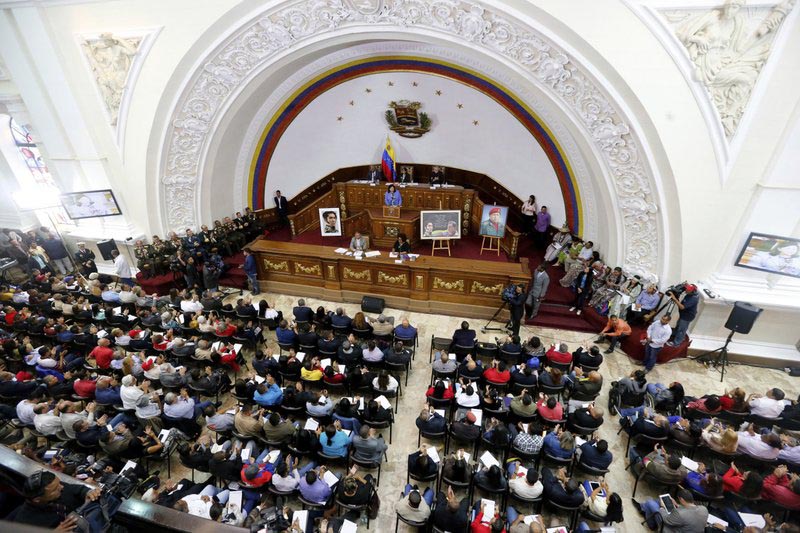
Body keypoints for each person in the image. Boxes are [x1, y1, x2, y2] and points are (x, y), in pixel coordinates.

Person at [14, 470, 104, 530]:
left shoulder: (58, 486)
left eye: (59, 483)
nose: (62, 487)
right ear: (37, 499)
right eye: (55, 489)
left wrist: (88, 492)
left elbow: (79, 489)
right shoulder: (23, 523)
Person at [634, 488, 708, 533]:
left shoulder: (680, 514)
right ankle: (643, 508)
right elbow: (689, 511)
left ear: (681, 499)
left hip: (670, 529)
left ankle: (651, 524)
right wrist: (677, 505)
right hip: (685, 527)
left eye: (679, 499)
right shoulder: (704, 509)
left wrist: (662, 507)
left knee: (650, 502)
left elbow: (666, 520)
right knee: (658, 501)